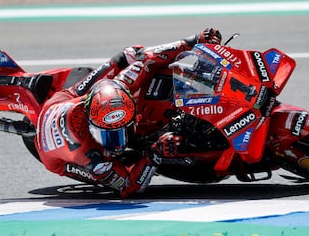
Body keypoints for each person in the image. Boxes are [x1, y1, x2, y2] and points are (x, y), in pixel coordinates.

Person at [35, 28, 222, 197]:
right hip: (55, 148)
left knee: (129, 55)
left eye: (124, 131)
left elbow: (148, 57)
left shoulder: (122, 85)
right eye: (110, 135)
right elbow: (128, 187)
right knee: (122, 167)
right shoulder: (89, 156)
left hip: (69, 101)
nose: (119, 142)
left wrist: (194, 40)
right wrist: (154, 153)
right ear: (92, 126)